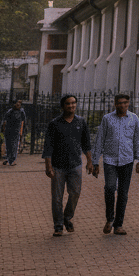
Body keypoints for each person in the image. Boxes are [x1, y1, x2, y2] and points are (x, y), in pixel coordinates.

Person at [91, 93, 139, 235]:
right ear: (115, 104)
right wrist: (95, 162)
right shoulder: (107, 119)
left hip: (127, 160)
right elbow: (100, 140)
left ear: (128, 103)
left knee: (123, 193)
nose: (123, 105)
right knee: (109, 188)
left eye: (125, 102)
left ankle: (118, 225)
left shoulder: (134, 118)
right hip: (110, 160)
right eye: (120, 103)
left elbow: (138, 140)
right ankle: (110, 219)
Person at [43, 95, 93, 236]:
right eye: (68, 103)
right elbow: (48, 146)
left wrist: (89, 161)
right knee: (57, 197)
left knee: (75, 193)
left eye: (73, 103)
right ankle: (58, 225)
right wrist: (48, 166)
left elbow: (86, 144)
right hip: (57, 166)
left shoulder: (81, 122)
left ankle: (67, 217)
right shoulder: (54, 123)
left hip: (75, 165)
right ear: (63, 106)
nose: (71, 106)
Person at [1, 99, 26, 166]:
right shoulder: (10, 111)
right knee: (9, 145)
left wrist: (21, 131)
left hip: (15, 130)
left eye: (19, 104)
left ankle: (12, 160)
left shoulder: (21, 112)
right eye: (17, 103)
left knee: (14, 146)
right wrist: (4, 128)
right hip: (9, 130)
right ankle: (9, 159)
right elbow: (5, 120)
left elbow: (23, 121)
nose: (17, 105)